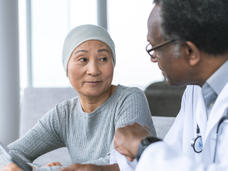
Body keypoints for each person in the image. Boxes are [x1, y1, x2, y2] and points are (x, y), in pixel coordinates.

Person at [0, 24, 156, 171]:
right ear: (66, 68)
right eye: (83, 59)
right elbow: (10, 154)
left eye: (103, 59)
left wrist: (45, 169)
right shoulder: (64, 114)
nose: (93, 70)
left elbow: (120, 163)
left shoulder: (130, 98)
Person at [113, 0, 228, 170]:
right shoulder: (195, 91)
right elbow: (171, 153)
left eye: (155, 48)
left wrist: (144, 147)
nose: (153, 58)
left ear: (190, 52)